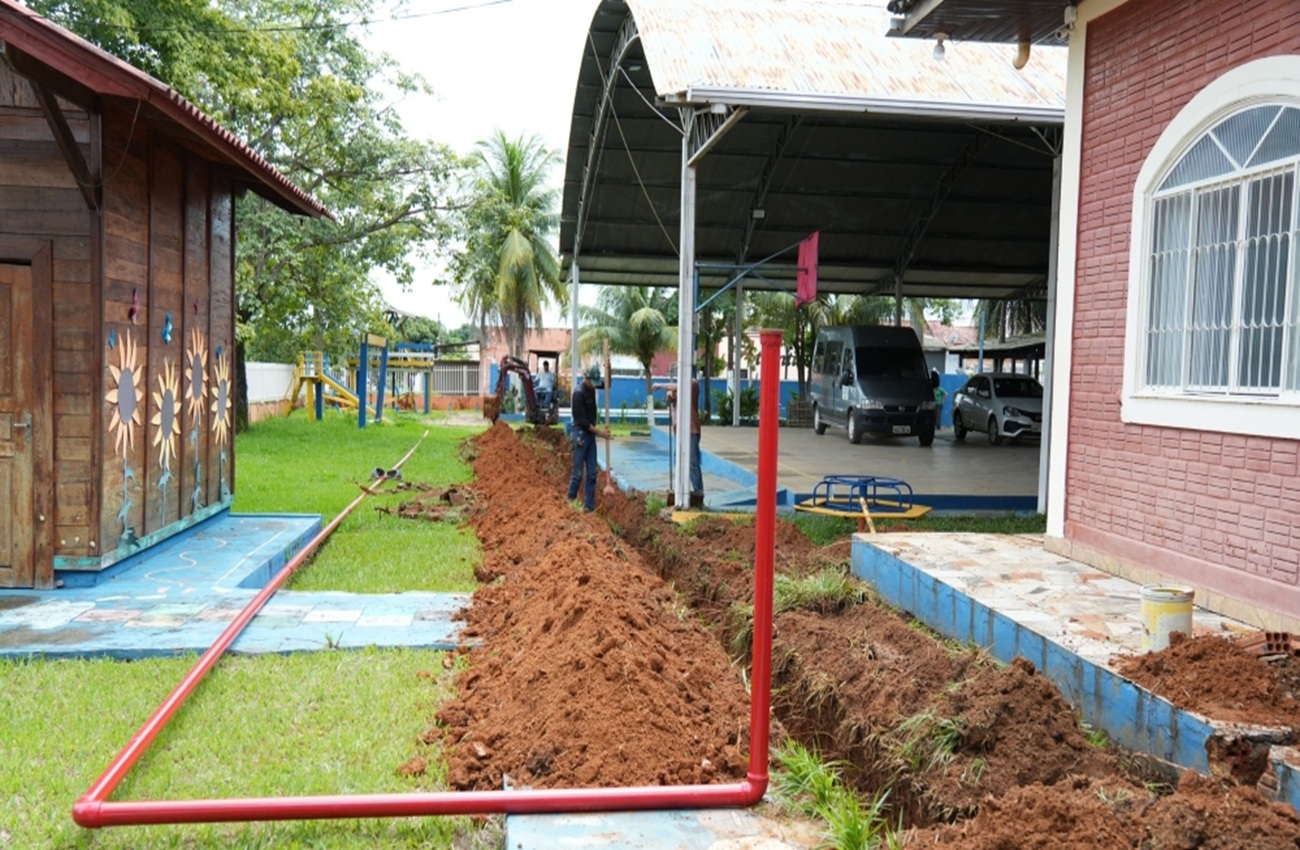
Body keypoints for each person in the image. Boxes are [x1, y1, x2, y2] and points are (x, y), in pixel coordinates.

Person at [567, 364, 611, 511]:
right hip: (580, 434)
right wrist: (601, 433)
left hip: (590, 436)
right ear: (586, 378)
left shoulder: (593, 386)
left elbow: (608, 385)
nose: (594, 386)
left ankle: (589, 508)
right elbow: (582, 422)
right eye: (593, 382)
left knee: (592, 473)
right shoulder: (578, 394)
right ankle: (569, 502)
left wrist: (609, 369)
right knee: (578, 473)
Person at [653, 375, 703, 499]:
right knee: (679, 461)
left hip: (691, 429)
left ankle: (698, 492)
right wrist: (670, 396)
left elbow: (679, 387)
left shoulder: (693, 383)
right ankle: (682, 491)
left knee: (692, 463)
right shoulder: (678, 388)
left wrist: (661, 385)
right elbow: (671, 399)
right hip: (679, 430)